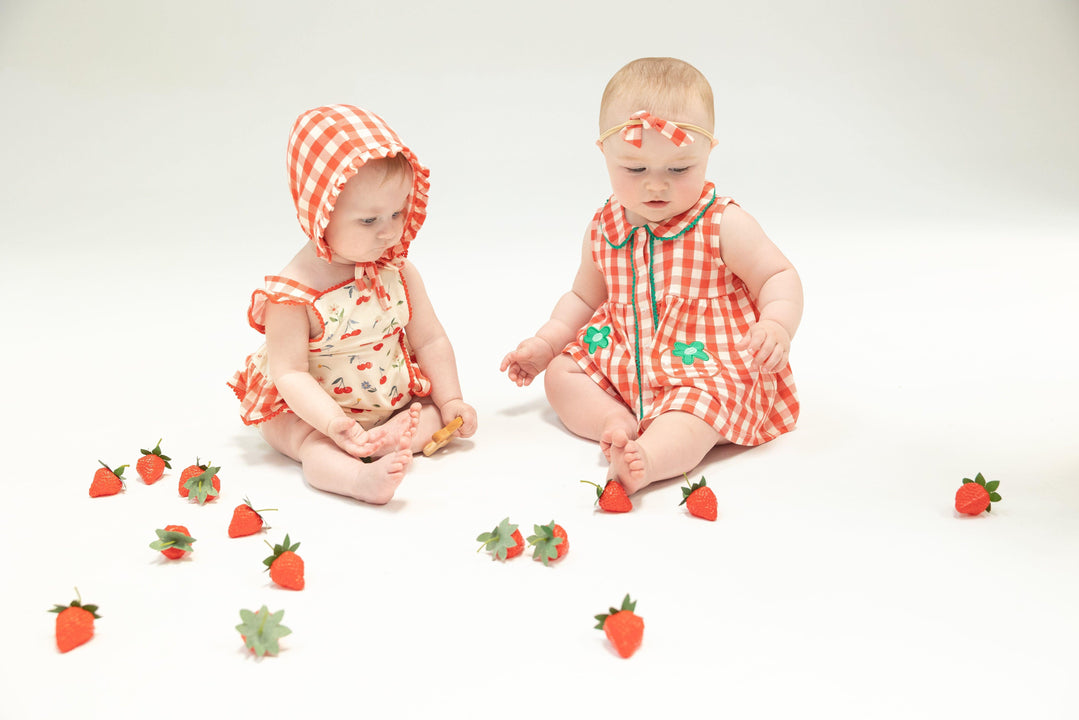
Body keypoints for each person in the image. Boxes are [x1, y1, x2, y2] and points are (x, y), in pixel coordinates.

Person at [501, 58, 801, 495]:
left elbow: (777, 274)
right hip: (625, 355)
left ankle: (650, 460)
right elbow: (583, 299)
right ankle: (613, 419)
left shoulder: (722, 223)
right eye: (635, 170)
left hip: (705, 366)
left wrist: (776, 322)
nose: (656, 186)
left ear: (708, 152)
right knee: (563, 376)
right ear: (604, 153)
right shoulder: (604, 226)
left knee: (693, 414)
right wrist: (547, 342)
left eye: (679, 170)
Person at [230, 105, 476, 503]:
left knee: (431, 413)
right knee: (310, 445)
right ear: (320, 216)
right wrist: (333, 422)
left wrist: (451, 399)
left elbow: (430, 340)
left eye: (397, 213)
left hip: (389, 397)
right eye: (369, 221)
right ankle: (357, 479)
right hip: (313, 411)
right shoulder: (294, 295)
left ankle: (385, 439)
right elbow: (290, 374)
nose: (389, 232)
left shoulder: (397, 272)